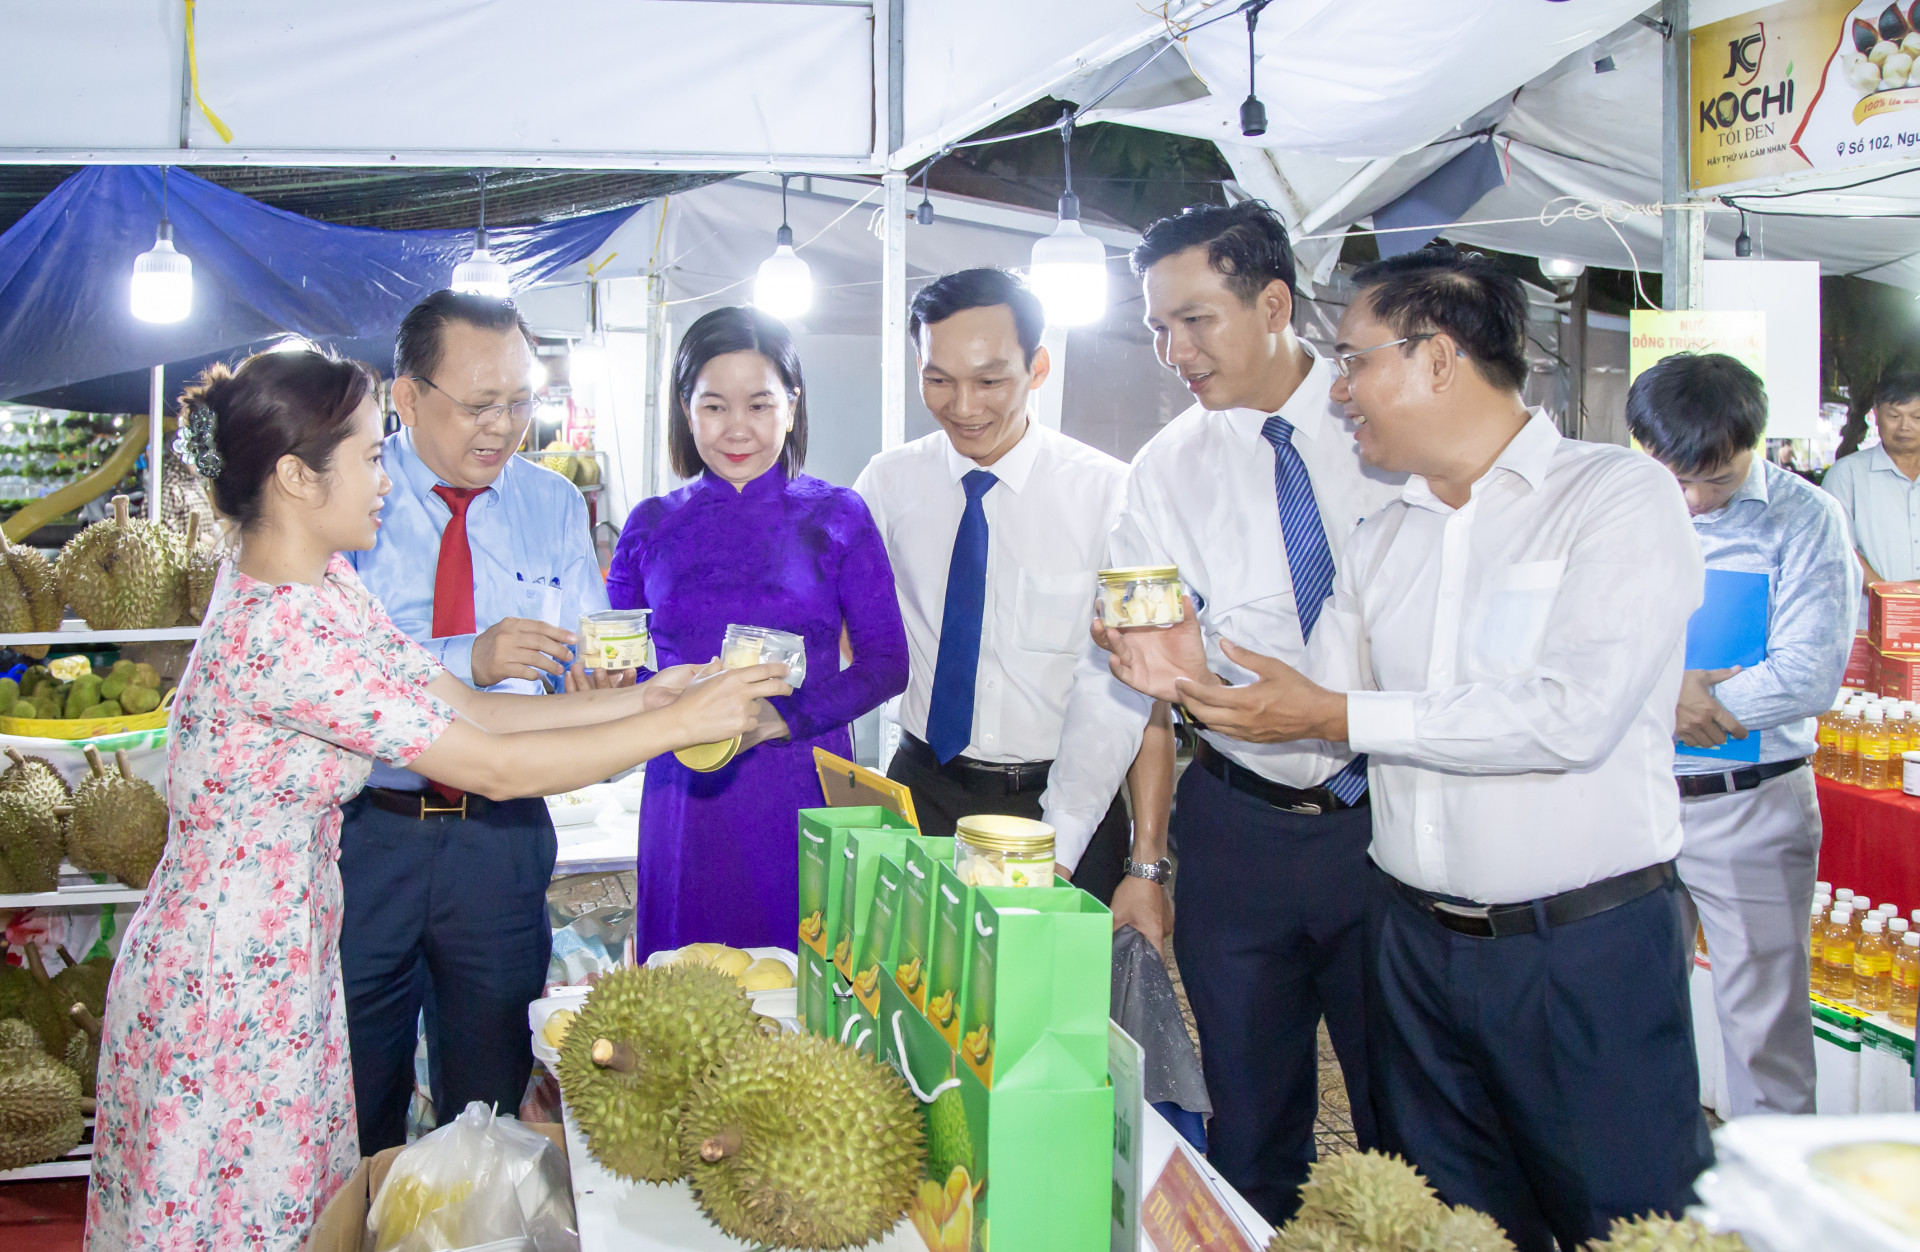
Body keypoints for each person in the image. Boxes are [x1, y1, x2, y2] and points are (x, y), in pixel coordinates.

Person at [85, 348, 786, 1251]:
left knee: (295, 1208)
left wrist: (653, 697)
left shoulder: (322, 588)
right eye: (374, 457)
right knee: (236, 1220)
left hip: (279, 947)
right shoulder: (284, 634)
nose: (388, 479)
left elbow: (472, 705)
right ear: (298, 477)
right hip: (228, 973)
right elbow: (489, 767)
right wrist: (680, 724)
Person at [1099, 247, 1713, 1252]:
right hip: (1415, 950)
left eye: (1355, 361)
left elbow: (1568, 716)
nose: (1338, 393)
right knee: (1450, 1226)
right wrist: (1181, 666)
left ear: (1437, 359)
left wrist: (1340, 717)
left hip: (1579, 952)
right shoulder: (1388, 536)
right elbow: (1307, 701)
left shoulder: (1613, 499)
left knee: (1625, 1221)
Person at [1039, 202, 1403, 1224]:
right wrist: (1064, 852)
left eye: (1195, 320)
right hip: (1241, 834)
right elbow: (1123, 671)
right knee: (1248, 1129)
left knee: (1406, 1123)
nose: (1173, 351)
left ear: (1276, 301)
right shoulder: (1165, 471)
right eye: (1157, 328)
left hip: (1394, 823)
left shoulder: (1387, 428)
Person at [340, 291, 621, 1154]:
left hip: (501, 842)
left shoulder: (551, 504)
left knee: (488, 1105)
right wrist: (474, 654)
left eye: (520, 402)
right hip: (366, 839)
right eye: (478, 405)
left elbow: (584, 648)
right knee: (353, 1095)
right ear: (409, 396)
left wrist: (609, 677)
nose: (502, 427)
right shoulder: (347, 498)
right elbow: (338, 669)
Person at [853, 267, 1160, 911]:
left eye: (990, 380)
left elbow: (1133, 690)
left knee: (1050, 1007)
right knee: (913, 995)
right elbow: (845, 631)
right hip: (921, 791)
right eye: (938, 380)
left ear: (1037, 367)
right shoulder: (886, 484)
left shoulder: (1113, 495)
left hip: (1061, 804)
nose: (963, 407)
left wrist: (1109, 853)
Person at [607, 306, 908, 956]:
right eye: (714, 406)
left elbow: (887, 663)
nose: (736, 428)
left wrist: (783, 719)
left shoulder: (836, 516)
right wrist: (618, 681)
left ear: (792, 406)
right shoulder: (649, 526)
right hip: (685, 797)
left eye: (760, 404)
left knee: (806, 1009)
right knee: (685, 1005)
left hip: (801, 791)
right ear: (685, 409)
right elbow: (622, 663)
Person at [1627, 353, 1854, 1116]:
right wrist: (1665, 697)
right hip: (1634, 795)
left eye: (1714, 481)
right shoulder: (1621, 508)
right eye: (1672, 478)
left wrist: (1688, 701)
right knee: (1633, 1017)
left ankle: (1771, 1221)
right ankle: (1660, 1206)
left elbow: (1808, 672)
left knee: (1764, 1029)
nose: (1689, 501)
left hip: (1749, 805)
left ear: (1753, 444)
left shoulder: (1807, 517)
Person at [1823, 366, 1920, 599]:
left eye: (1917, 416)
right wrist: (1890, 599)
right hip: (1868, 626)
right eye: (1894, 416)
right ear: (1876, 415)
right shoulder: (1847, 475)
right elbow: (1838, 548)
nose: (1905, 426)